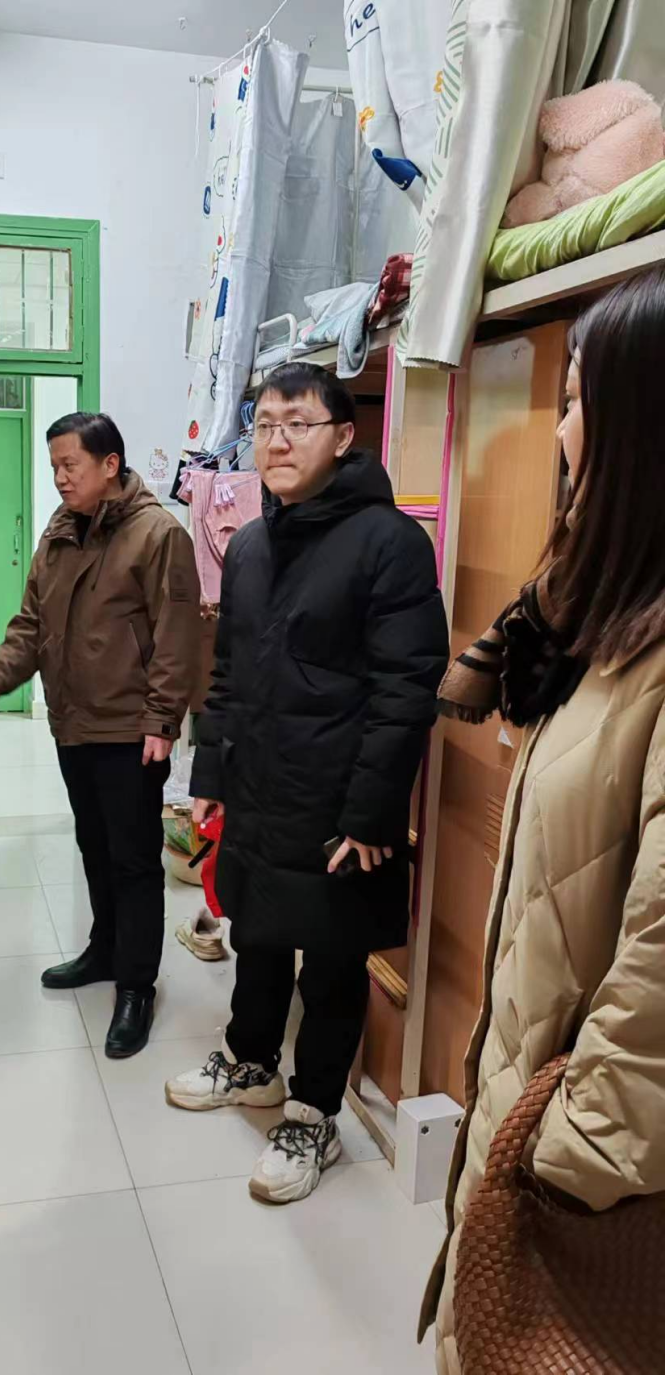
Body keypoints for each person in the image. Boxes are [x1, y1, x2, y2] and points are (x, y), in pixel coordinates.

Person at [424, 267, 665, 1373]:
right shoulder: (608, 621)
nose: (558, 434)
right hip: (533, 1106)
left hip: (582, 1172)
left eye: (573, 402)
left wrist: (564, 1157)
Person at [165, 362, 448, 1204]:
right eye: (264, 425)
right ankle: (252, 1061)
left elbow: (407, 688)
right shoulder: (252, 544)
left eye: (298, 423)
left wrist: (371, 813)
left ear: (344, 437)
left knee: (331, 956)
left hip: (337, 799)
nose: (277, 441)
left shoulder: (392, 544)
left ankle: (315, 1111)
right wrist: (210, 772)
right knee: (255, 928)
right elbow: (227, 674)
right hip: (257, 783)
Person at [0, 412, 201, 1058]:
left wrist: (162, 719)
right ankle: (105, 948)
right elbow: (30, 624)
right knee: (94, 845)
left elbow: (178, 635)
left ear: (110, 464)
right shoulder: (60, 531)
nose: (60, 477)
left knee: (134, 859)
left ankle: (137, 985)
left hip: (131, 730)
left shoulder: (158, 534)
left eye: (70, 464)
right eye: (55, 467)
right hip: (74, 722)